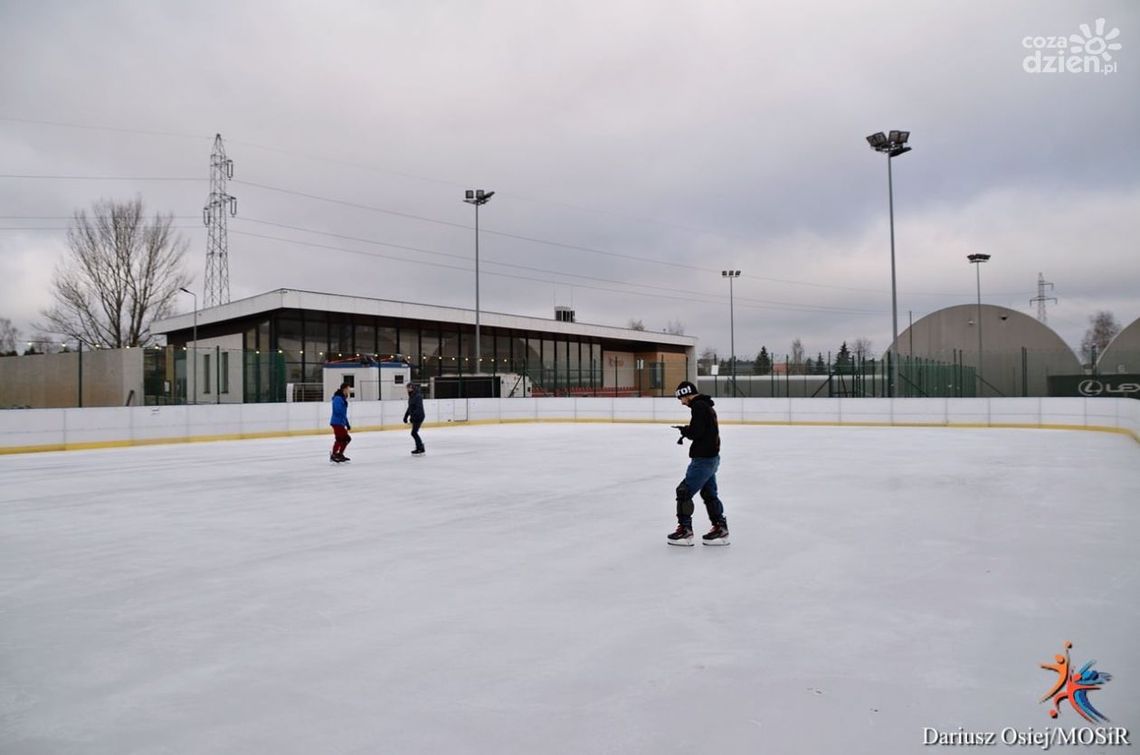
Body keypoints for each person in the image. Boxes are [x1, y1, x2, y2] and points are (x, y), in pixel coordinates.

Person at [667, 380, 729, 545]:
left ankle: (685, 531)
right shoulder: (706, 406)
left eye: (681, 399)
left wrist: (686, 430)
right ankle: (720, 529)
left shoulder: (698, 407)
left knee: (683, 492)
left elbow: (696, 432)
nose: (682, 403)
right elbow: (703, 430)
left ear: (686, 394)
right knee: (709, 494)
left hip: (703, 460)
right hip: (711, 458)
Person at [329, 382, 352, 463]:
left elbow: (343, 413)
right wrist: (344, 421)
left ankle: (338, 454)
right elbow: (339, 410)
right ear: (344, 389)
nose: (349, 390)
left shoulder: (342, 398)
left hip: (340, 422)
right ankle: (335, 454)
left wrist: (347, 424)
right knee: (343, 439)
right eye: (348, 389)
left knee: (343, 439)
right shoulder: (338, 398)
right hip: (337, 422)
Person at [403, 382, 425, 455]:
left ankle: (420, 448)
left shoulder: (418, 396)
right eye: (407, 388)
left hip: (419, 416)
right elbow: (410, 407)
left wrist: (413, 417)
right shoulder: (411, 396)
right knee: (414, 433)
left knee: (414, 433)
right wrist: (406, 416)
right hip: (415, 416)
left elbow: (419, 408)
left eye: (408, 388)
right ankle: (420, 447)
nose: (407, 390)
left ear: (412, 388)